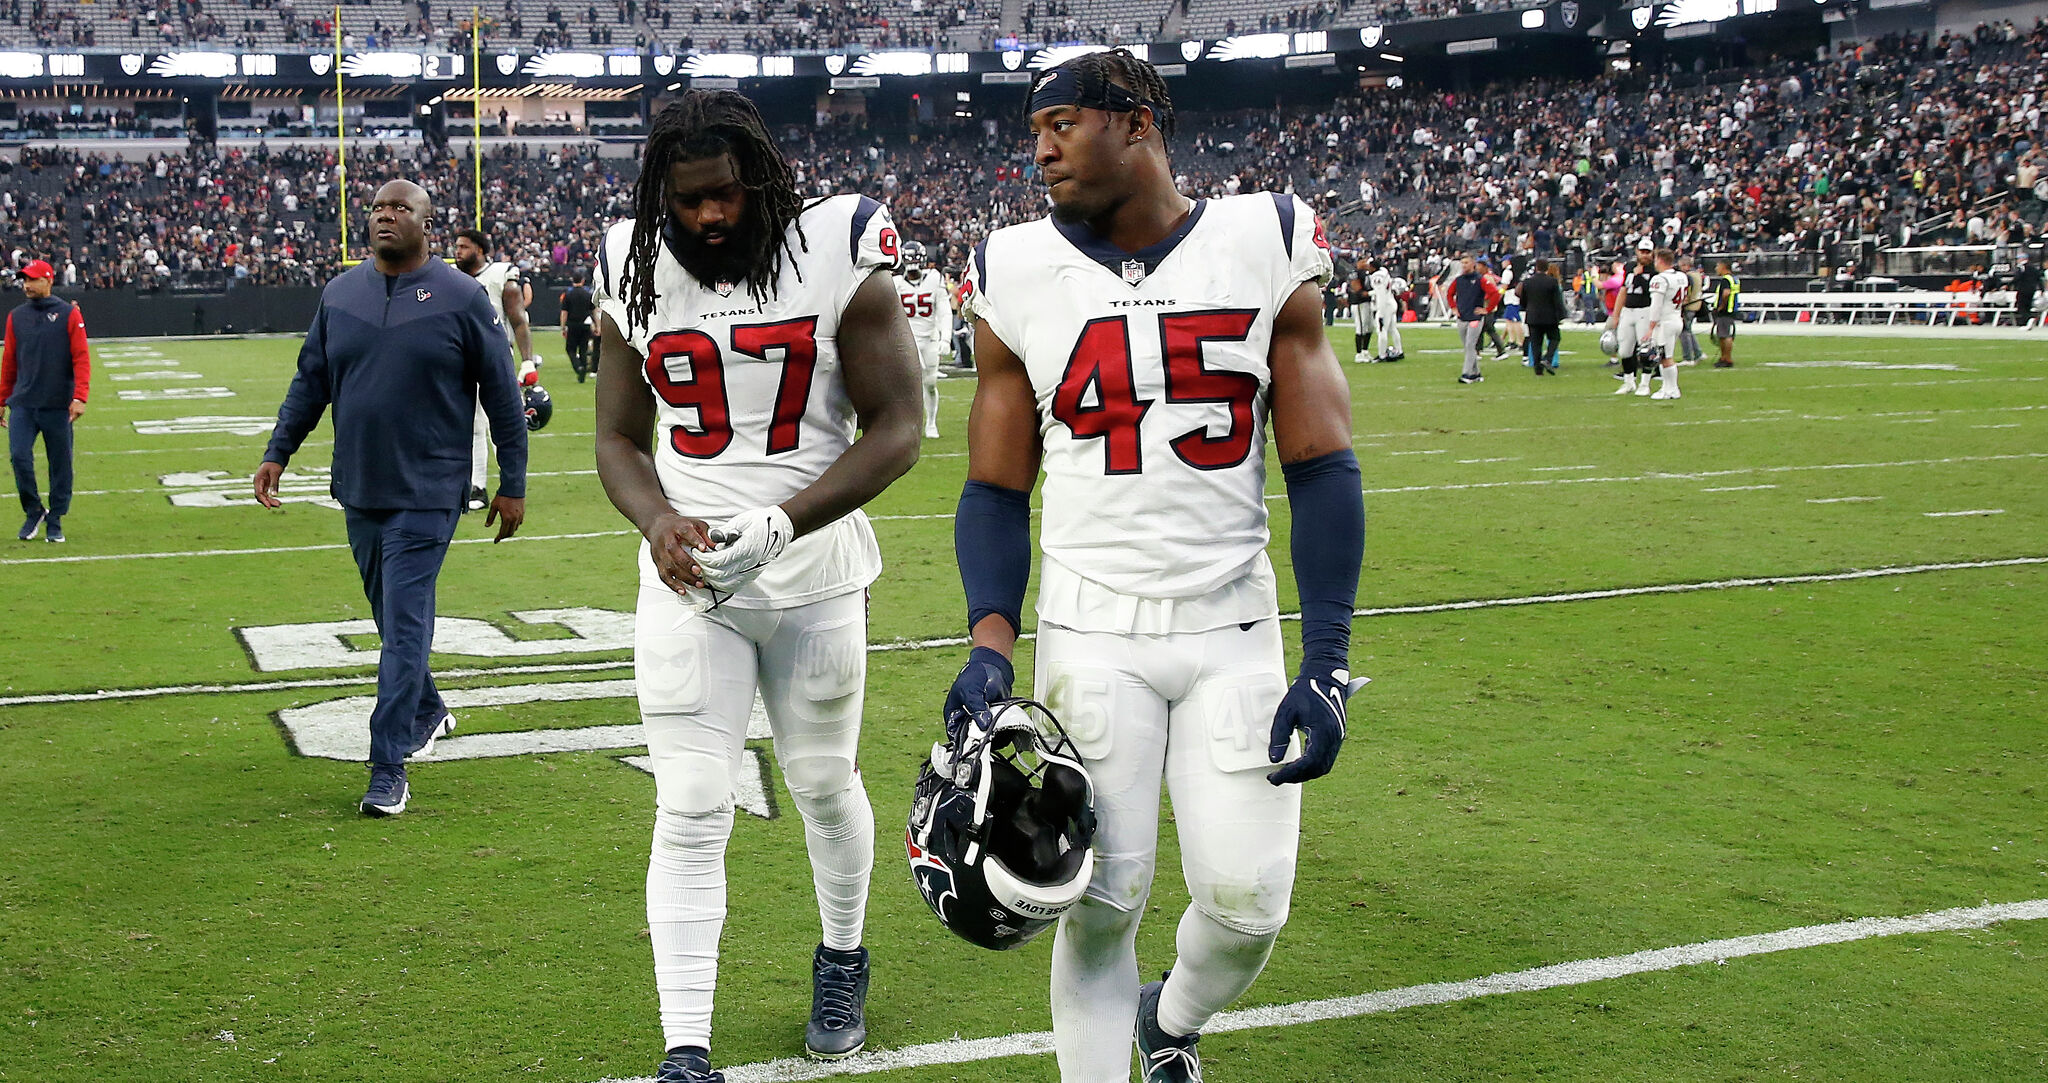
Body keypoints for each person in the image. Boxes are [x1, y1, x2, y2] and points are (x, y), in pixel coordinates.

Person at [950, 50, 1366, 1083]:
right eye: (1032, 129)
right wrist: (990, 640)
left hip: (1233, 627)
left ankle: (1169, 1020)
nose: (1040, 149)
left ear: (1135, 123)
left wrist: (1327, 658)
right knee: (1099, 907)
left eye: (1061, 123)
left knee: (1245, 903)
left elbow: (1321, 465)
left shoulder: (1260, 236)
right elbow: (996, 486)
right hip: (1094, 632)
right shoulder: (1012, 268)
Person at [588, 90, 922, 1082]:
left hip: (814, 575)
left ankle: (842, 955)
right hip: (693, 585)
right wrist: (656, 519)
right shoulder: (630, 261)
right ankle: (684, 1045)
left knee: (821, 783)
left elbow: (897, 427)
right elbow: (614, 435)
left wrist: (782, 521)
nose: (709, 219)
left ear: (762, 179)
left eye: (725, 196)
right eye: (687, 202)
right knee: (691, 803)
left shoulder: (836, 244)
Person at [255, 179, 529, 817]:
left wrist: (512, 483)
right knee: (391, 619)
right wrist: (278, 451)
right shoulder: (340, 293)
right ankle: (428, 708)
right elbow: (310, 380)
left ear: (427, 224)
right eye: (377, 208)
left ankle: (388, 763)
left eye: (400, 209)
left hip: (430, 488)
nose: (384, 217)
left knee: (404, 624)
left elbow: (502, 395)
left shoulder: (462, 297)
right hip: (358, 484)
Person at [1, 259, 91, 543]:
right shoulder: (16, 316)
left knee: (60, 464)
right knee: (19, 457)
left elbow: (81, 357)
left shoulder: (68, 314)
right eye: (24, 280)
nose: (27, 285)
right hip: (24, 403)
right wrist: (2, 398)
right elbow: (9, 361)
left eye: (33, 279)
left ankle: (56, 518)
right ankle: (34, 511)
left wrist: (80, 397)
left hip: (57, 404)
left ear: (49, 281)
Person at [452, 229, 536, 512]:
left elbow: (519, 319)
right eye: (457, 246)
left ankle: (511, 484)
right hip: (462, 358)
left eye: (464, 247)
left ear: (480, 248)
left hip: (496, 356)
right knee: (472, 425)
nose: (457, 251)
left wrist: (527, 361)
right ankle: (477, 486)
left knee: (503, 422)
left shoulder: (500, 274)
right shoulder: (452, 279)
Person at [893, 240, 953, 437]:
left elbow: (944, 311)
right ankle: (912, 423)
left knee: (930, 382)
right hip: (906, 339)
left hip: (929, 339)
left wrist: (946, 338)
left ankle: (931, 423)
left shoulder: (934, 279)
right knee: (912, 382)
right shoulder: (896, 284)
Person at [1609, 240, 1657, 396]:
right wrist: (1616, 315)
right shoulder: (1629, 266)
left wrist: (1640, 276)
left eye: (1647, 252)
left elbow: (1651, 292)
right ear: (1636, 251)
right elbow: (1623, 291)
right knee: (1624, 350)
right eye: (1642, 251)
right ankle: (1629, 382)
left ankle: (1645, 383)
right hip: (1628, 311)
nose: (1644, 255)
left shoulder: (1655, 269)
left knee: (1645, 349)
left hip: (1645, 310)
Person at [1646, 248, 1688, 400]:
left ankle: (1671, 389)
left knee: (1665, 356)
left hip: (1665, 322)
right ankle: (1668, 387)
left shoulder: (1660, 279)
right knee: (1665, 355)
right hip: (1677, 318)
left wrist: (1651, 326)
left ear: (1660, 260)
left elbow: (1656, 305)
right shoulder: (1681, 276)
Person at [1450, 253, 1497, 385]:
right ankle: (1476, 373)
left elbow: (1494, 293)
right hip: (1462, 317)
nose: (1464, 265)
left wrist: (1487, 310)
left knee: (1470, 345)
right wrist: (1454, 307)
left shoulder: (1480, 279)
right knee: (1467, 346)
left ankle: (1467, 374)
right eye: (1462, 263)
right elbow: (1449, 293)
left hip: (1475, 317)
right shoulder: (1458, 280)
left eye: (1466, 263)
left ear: (1473, 264)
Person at [1518, 258, 1564, 375]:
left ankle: (1538, 369)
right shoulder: (1552, 282)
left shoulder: (1527, 282)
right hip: (1550, 317)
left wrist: (1527, 308)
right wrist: (1560, 315)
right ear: (1547, 268)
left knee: (1535, 343)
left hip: (1533, 316)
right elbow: (1557, 301)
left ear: (1536, 268)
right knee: (1555, 338)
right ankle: (1547, 358)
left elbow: (1523, 299)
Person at [560, 270, 598, 381]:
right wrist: (597, 325)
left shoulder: (568, 294)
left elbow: (564, 312)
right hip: (586, 324)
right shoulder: (588, 294)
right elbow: (594, 311)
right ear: (583, 280)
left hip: (572, 325)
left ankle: (578, 366)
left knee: (570, 349)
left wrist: (563, 326)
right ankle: (583, 370)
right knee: (583, 348)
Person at [1708, 260, 1741, 367]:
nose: (1716, 268)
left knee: (1724, 335)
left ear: (1723, 266)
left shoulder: (1726, 280)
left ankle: (1726, 359)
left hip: (1725, 311)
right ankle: (1724, 357)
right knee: (1724, 334)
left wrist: (1720, 306)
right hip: (1731, 309)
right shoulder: (1734, 279)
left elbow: (1726, 293)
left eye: (1717, 265)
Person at [1369, 258, 1404, 361]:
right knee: (1393, 329)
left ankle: (1382, 355)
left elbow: (1381, 294)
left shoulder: (1377, 276)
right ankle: (1399, 351)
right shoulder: (1384, 272)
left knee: (1382, 330)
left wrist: (1380, 311)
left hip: (1385, 306)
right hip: (1391, 302)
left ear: (1373, 267)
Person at [1677, 255, 1707, 363]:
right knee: (1689, 330)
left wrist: (1682, 304)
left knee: (1684, 332)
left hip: (1689, 305)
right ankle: (1698, 353)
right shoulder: (1697, 274)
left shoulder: (1688, 276)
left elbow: (1687, 292)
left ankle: (1688, 357)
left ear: (1686, 265)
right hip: (1696, 304)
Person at [2013, 256, 2041, 328]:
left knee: (2021, 306)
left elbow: (2017, 278)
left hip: (2023, 289)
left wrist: (2010, 285)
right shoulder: (2034, 268)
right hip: (2032, 290)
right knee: (2028, 306)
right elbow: (2038, 278)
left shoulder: (2022, 267)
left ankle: (2026, 320)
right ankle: (2028, 321)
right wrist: (2041, 288)